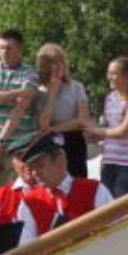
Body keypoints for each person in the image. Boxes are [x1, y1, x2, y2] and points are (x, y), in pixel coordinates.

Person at [85, 56, 128, 197]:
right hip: (109, 161)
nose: (109, 77)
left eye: (114, 73)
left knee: (119, 207)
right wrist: (92, 136)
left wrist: (96, 130)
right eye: (109, 73)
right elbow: (108, 128)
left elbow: (123, 131)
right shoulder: (110, 98)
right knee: (106, 204)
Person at [0, 30, 40, 163]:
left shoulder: (30, 73)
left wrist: (1, 142)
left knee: (15, 184)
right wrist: (19, 92)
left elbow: (19, 109)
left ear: (20, 49)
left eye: (9, 48)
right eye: (1, 47)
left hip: (19, 145)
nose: (4, 52)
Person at [33, 42, 91, 178]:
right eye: (53, 63)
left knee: (77, 183)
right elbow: (43, 124)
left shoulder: (76, 87)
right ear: (44, 67)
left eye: (61, 61)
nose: (59, 66)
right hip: (51, 144)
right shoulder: (39, 92)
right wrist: (53, 92)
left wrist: (55, 129)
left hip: (74, 141)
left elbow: (83, 120)